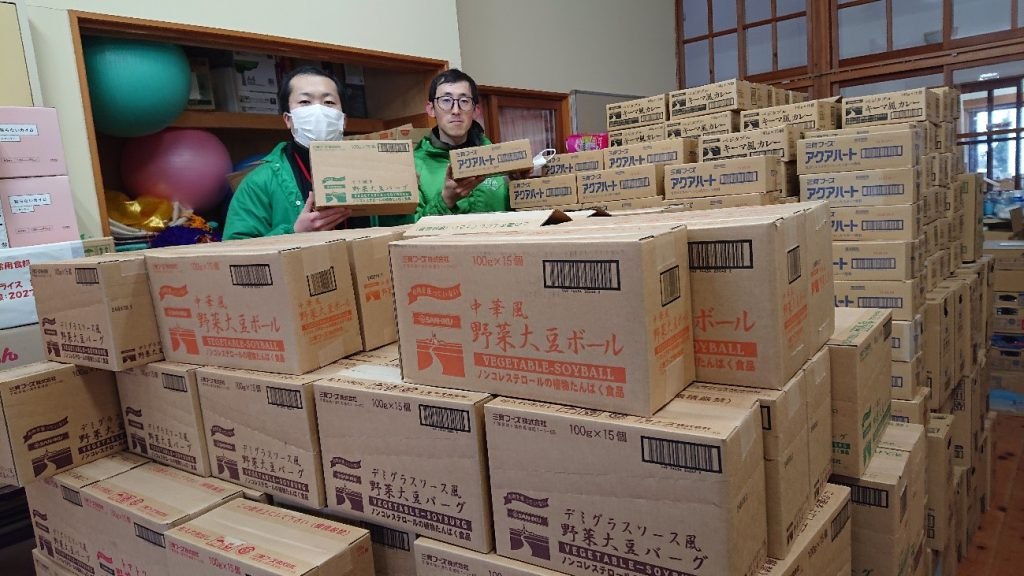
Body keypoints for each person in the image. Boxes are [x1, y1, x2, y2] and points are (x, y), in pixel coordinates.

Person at [222, 66, 365, 240]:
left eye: (328, 102)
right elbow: (235, 247)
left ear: (343, 120)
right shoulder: (259, 182)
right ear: (288, 119)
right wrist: (294, 233)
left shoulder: (370, 168)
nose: (318, 111)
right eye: (305, 102)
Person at [414, 69, 525, 218]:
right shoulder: (414, 166)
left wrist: (519, 184)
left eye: (464, 101)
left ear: (475, 110)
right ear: (431, 109)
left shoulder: (496, 160)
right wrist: (445, 201)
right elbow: (403, 228)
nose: (455, 110)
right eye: (446, 100)